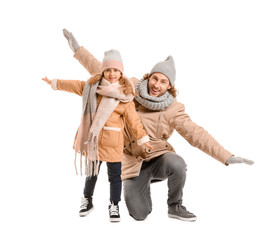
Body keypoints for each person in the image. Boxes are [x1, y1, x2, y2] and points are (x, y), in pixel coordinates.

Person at [62, 29, 254, 222]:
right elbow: (102, 70)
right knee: (139, 214)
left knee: (177, 163)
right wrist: (78, 50)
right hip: (132, 161)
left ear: (169, 86)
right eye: (155, 78)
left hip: (157, 157)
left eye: (163, 82)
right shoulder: (130, 88)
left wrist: (227, 156)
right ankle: (142, 185)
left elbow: (197, 134)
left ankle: (175, 206)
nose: (157, 85)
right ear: (148, 77)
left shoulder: (174, 109)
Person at [42, 49, 153, 222]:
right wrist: (55, 83)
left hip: (114, 143)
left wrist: (143, 139)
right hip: (94, 142)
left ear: (121, 72)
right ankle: (87, 200)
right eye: (108, 70)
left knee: (115, 177)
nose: (112, 74)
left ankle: (114, 205)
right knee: (91, 174)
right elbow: (75, 85)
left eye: (116, 70)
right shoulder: (92, 87)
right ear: (103, 71)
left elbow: (134, 122)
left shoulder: (125, 96)